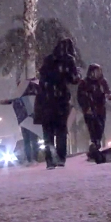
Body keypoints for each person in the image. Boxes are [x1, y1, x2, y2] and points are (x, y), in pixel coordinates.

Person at [34, 38, 81, 169]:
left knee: (48, 132)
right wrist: (75, 76)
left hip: (46, 101)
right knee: (60, 130)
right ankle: (60, 158)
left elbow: (42, 78)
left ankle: (50, 160)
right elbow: (73, 79)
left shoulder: (48, 60)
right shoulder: (68, 60)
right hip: (60, 100)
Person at [0, 79, 41, 166]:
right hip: (24, 119)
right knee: (28, 140)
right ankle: (30, 159)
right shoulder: (19, 96)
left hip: (29, 119)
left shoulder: (27, 94)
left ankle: (33, 159)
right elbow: (9, 101)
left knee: (31, 140)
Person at [77, 64, 111, 160]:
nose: (98, 74)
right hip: (89, 110)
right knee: (93, 129)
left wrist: (108, 95)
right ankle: (94, 146)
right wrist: (86, 107)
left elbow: (108, 91)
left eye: (99, 71)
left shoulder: (102, 82)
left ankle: (96, 146)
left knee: (100, 128)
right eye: (97, 71)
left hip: (100, 109)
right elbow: (80, 97)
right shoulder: (84, 83)